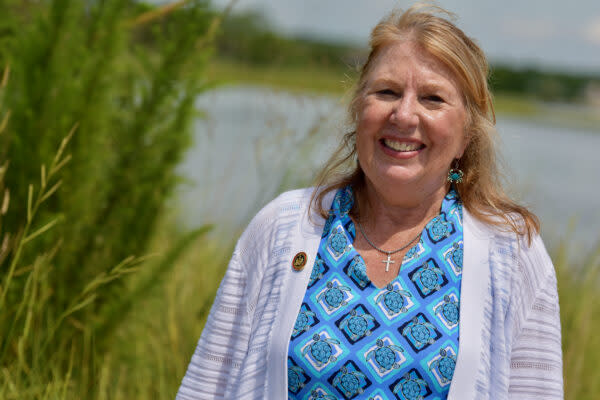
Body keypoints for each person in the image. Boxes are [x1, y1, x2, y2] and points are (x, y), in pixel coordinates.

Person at [176, 5, 563, 400]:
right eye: (387, 92)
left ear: (466, 135)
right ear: (359, 109)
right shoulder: (283, 226)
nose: (404, 114)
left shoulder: (511, 254)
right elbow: (208, 387)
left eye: (432, 98)